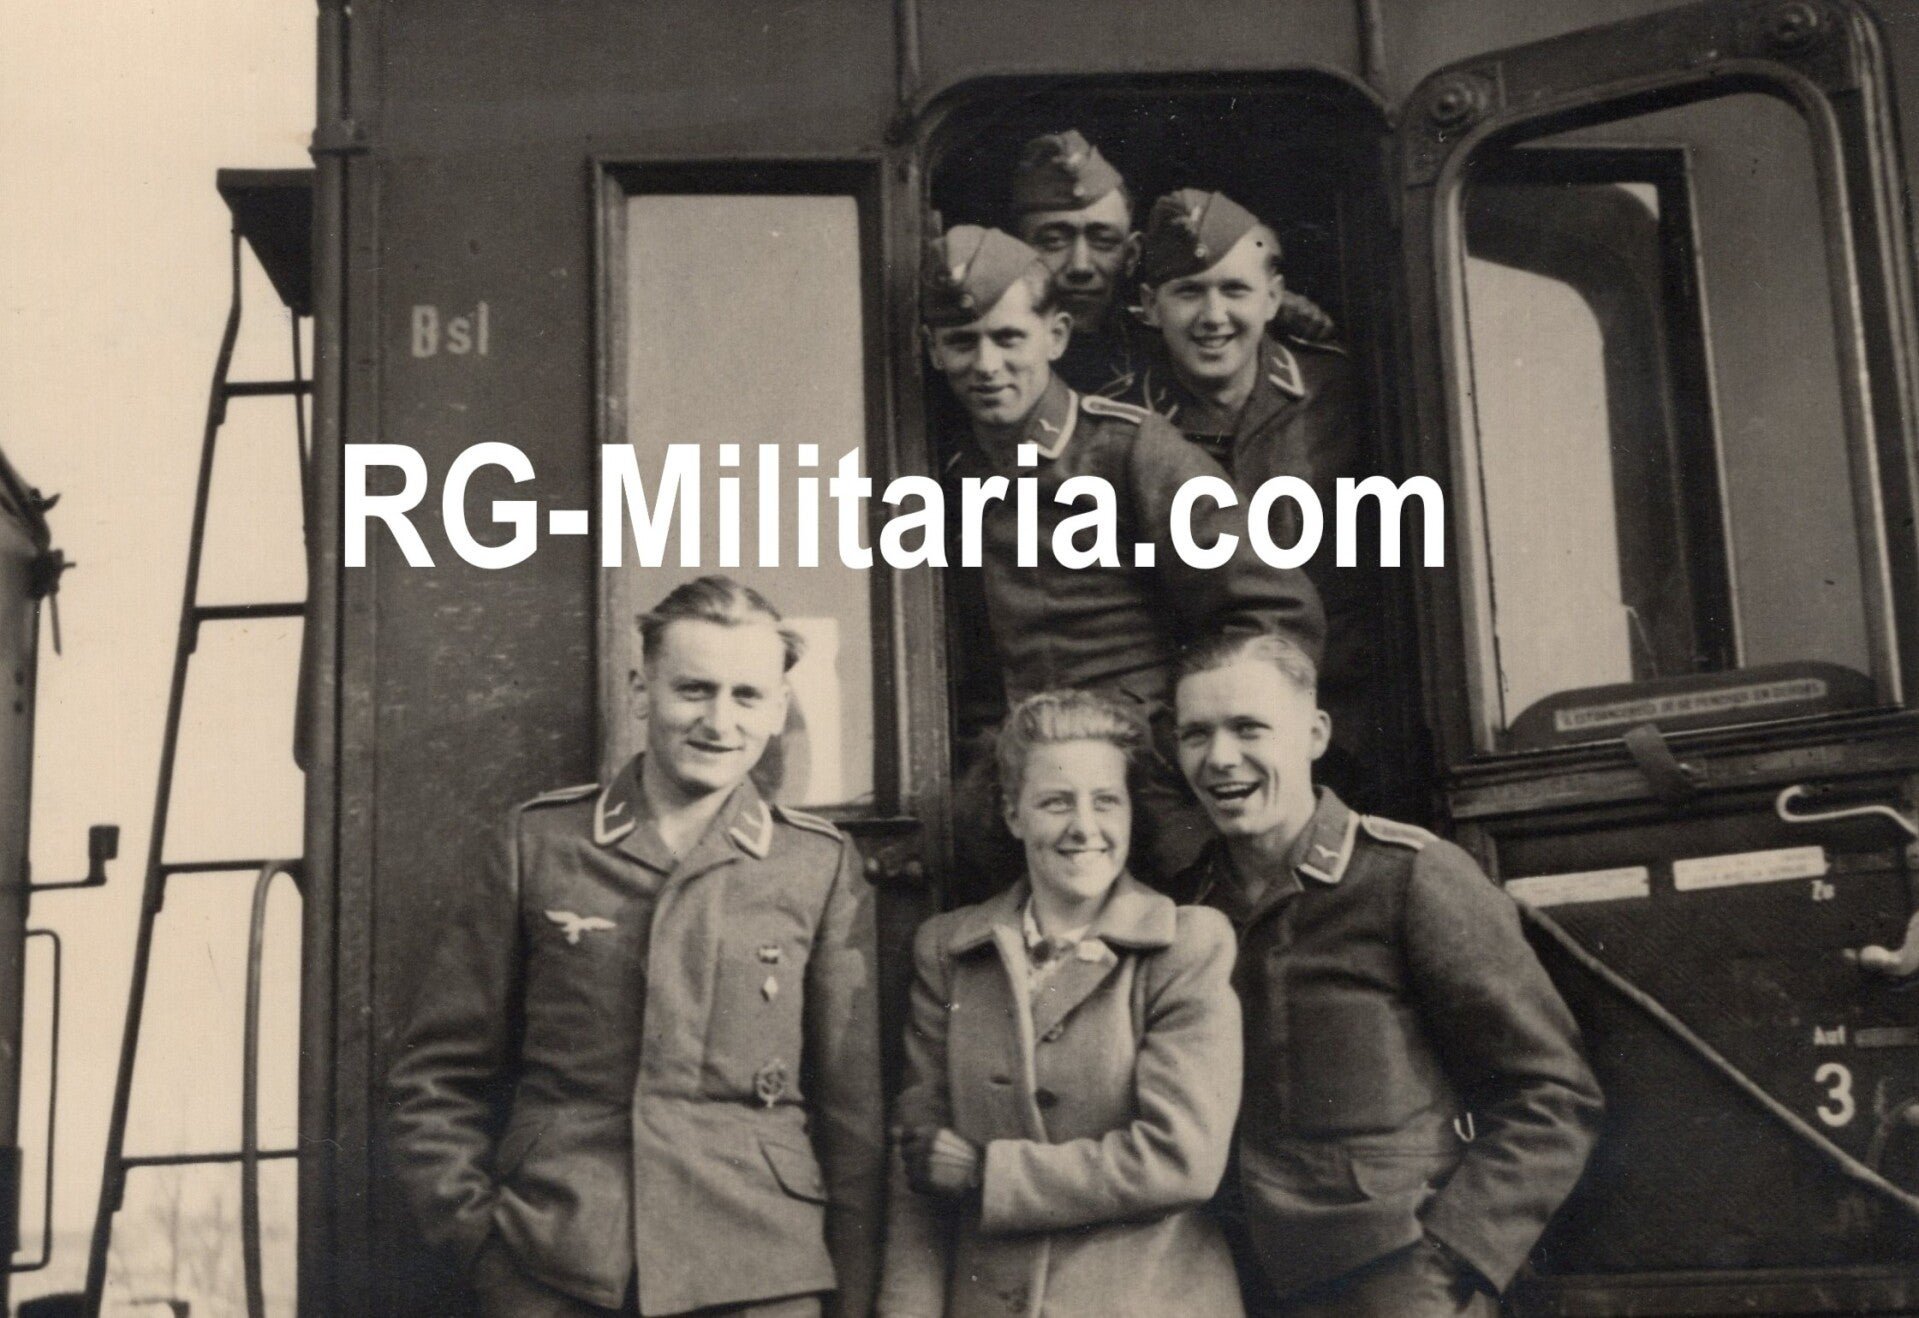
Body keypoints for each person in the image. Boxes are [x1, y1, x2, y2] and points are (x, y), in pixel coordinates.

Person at [385, 576, 885, 1317]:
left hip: (757, 1274)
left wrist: (847, 1297)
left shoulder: (817, 865)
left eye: (747, 696)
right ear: (641, 689)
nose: (719, 721)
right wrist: (484, 1247)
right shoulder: (540, 844)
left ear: (778, 709)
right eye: (694, 690)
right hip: (560, 1266)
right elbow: (435, 1079)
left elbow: (853, 1118)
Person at [1171, 630, 1603, 1317]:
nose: (1220, 758)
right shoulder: (1185, 906)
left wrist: (1451, 1258)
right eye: (1195, 734)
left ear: (1313, 734)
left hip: (1394, 1281)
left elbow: (1550, 1092)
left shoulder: (1407, 875)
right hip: (1233, 1283)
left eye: (1247, 728)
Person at [922, 222, 1324, 899]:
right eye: (962, 342)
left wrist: (1180, 745)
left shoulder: (1128, 451)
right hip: (1013, 809)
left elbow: (1272, 613)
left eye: (1008, 338)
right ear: (932, 350)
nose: (985, 365)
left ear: (1054, 335)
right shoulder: (944, 475)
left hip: (1154, 802)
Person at [879, 690, 1245, 1318]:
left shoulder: (1184, 944)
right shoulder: (949, 950)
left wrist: (988, 1174)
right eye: (1055, 802)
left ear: (1131, 813)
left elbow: (1181, 1158)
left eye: (1106, 801)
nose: (1084, 828)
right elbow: (919, 1172)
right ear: (1013, 814)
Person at [1134, 188, 1377, 797]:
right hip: (1199, 751)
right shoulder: (1126, 428)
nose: (1212, 316)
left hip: (1352, 732)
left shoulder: (1346, 393)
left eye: (1234, 290)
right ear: (1149, 307)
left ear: (1273, 298)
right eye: (1188, 292)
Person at [1007, 131, 1335, 400]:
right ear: (1016, 250)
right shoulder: (981, 352)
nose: (1080, 265)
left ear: (1132, 254)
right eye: (1053, 241)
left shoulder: (1165, 337)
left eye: (1103, 240)